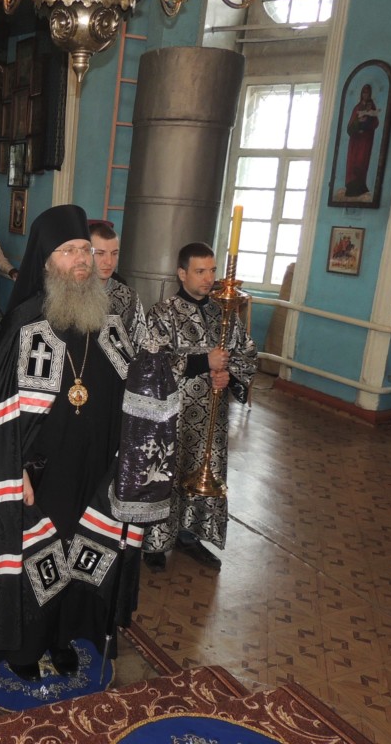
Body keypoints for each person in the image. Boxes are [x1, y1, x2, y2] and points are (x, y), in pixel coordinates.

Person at [0, 205, 158, 682]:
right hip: (37, 471)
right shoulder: (25, 324)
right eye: (69, 251)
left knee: (82, 551)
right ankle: (26, 646)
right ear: (47, 261)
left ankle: (64, 635)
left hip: (93, 469)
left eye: (86, 249)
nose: (82, 259)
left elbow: (131, 394)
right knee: (36, 556)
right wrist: (13, 469)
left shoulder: (108, 323)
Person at [142, 242, 257, 573]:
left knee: (204, 471)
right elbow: (152, 362)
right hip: (172, 416)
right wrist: (202, 361)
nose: (209, 279)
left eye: (212, 271)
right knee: (165, 472)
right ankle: (155, 541)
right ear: (182, 273)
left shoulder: (225, 315)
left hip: (210, 418)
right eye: (200, 271)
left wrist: (230, 376)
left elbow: (246, 353)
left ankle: (190, 535)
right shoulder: (163, 313)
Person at [90, 222, 149, 349]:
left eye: (114, 253)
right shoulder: (70, 295)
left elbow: (141, 346)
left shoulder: (129, 297)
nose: (109, 261)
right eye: (100, 253)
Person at [343, 84, 380, 198]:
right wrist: (358, 122)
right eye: (364, 92)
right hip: (356, 141)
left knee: (362, 161)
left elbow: (375, 123)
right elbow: (349, 127)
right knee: (353, 162)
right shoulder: (357, 108)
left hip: (365, 140)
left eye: (367, 93)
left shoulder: (372, 107)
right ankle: (351, 187)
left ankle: (360, 186)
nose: (365, 95)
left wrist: (368, 121)